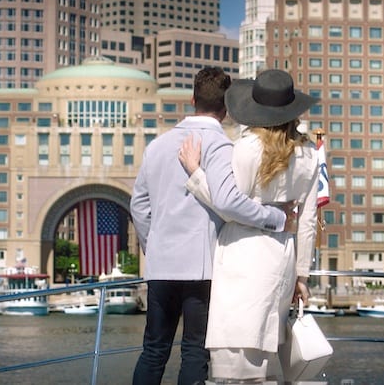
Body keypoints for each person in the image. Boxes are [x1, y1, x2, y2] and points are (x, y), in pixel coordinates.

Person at [130, 67, 297, 385]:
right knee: (194, 352)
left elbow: (139, 207)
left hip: (161, 266)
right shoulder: (221, 146)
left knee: (153, 351)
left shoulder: (156, 147)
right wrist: (276, 217)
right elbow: (229, 201)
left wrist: (155, 247)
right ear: (228, 108)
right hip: (202, 269)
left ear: (192, 100)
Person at [178, 69, 321, 383]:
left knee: (233, 364)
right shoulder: (310, 154)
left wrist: (196, 176)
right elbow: (308, 221)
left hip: (242, 257)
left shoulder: (246, 148)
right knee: (265, 360)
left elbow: (230, 208)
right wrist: (302, 275)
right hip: (281, 259)